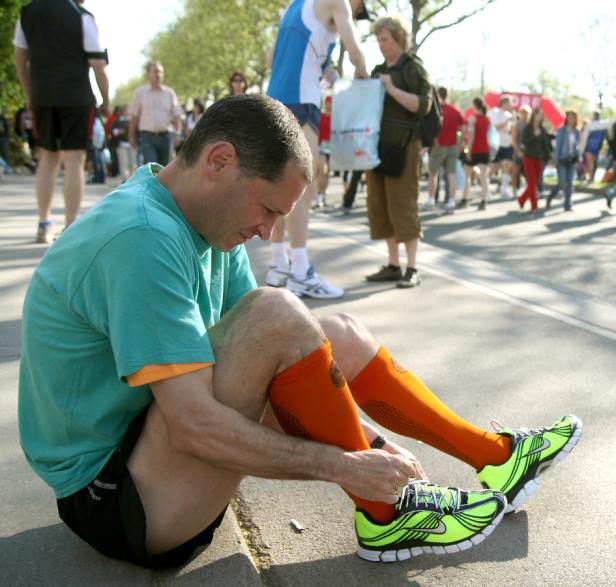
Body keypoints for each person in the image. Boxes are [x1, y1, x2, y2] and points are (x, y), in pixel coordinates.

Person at [19, 94, 582, 568]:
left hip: (149, 441)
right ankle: (386, 513)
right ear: (219, 160)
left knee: (336, 331)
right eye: (267, 208)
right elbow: (194, 426)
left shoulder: (202, 224)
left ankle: (495, 456)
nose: (268, 233)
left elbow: (277, 371)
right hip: (117, 504)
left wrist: (376, 449)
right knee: (279, 313)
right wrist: (348, 464)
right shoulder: (141, 238)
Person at [265, 0, 370, 299]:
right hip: (301, 102)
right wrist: (362, 72)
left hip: (276, 98)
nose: (358, 14)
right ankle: (300, 272)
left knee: (279, 186)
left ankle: (278, 265)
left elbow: (271, 59)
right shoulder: (338, 3)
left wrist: (326, 73)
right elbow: (355, 52)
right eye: (360, 10)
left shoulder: (293, 6)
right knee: (302, 190)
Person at [13, 0, 110, 244]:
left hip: (42, 96)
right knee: (74, 160)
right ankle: (70, 226)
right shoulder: (81, 16)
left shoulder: (27, 12)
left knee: (47, 158)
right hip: (76, 97)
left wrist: (30, 95)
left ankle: (44, 223)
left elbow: (19, 58)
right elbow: (98, 64)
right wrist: (106, 100)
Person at [364, 16, 432, 289]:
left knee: (403, 205)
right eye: (378, 40)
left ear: (398, 38)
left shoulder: (413, 68)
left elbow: (423, 105)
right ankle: (393, 264)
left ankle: (412, 267)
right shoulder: (378, 69)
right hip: (376, 146)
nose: (381, 45)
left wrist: (391, 88)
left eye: (385, 39)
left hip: (404, 146)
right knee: (380, 206)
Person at [128, 61, 182, 167]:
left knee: (164, 169)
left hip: (165, 137)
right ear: (148, 73)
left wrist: (177, 134)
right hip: (147, 137)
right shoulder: (140, 93)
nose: (158, 75)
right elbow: (134, 116)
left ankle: (160, 184)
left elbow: (176, 115)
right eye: (155, 71)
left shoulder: (169, 93)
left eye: (161, 72)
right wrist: (131, 136)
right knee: (152, 168)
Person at [423, 87, 463, 214]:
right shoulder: (455, 110)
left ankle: (431, 200)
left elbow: (430, 127)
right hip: (453, 145)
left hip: (439, 145)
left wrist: (433, 140)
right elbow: (461, 128)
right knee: (451, 174)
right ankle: (451, 201)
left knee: (433, 173)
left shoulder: (436, 110)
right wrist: (459, 142)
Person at [518, 108, 550, 213]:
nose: (539, 117)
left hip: (539, 158)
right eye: (538, 114)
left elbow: (546, 146)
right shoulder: (528, 128)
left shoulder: (543, 130)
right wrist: (533, 136)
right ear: (534, 115)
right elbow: (523, 142)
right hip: (528, 157)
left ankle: (522, 199)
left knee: (535, 183)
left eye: (541, 115)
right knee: (532, 182)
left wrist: (549, 158)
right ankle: (534, 206)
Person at [547, 110, 580, 212]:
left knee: (570, 182)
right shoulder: (562, 130)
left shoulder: (577, 131)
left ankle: (567, 204)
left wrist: (578, 157)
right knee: (561, 183)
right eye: (569, 117)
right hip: (562, 160)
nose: (571, 119)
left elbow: (578, 146)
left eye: (573, 117)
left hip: (572, 160)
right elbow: (558, 147)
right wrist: (556, 160)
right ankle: (550, 197)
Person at [463, 98, 490, 210]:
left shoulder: (472, 119)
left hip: (474, 150)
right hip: (485, 150)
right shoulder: (487, 119)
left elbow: (471, 135)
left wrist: (468, 150)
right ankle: (484, 200)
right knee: (484, 177)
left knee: (468, 176)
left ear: (475, 105)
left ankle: (464, 199)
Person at [488, 95, 514, 199]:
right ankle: (486, 187)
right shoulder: (494, 112)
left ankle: (504, 189)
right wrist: (507, 121)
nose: (511, 105)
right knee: (492, 168)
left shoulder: (509, 115)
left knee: (507, 165)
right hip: (495, 144)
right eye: (510, 103)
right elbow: (495, 127)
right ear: (505, 103)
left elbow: (510, 130)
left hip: (506, 144)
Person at [315, 95, 332, 209]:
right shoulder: (320, 116)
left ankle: (323, 194)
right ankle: (318, 195)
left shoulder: (336, 117)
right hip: (321, 146)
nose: (330, 105)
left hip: (332, 148)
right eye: (328, 102)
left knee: (327, 173)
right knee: (321, 171)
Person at [110, 106, 135, 181]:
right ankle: (125, 179)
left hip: (132, 144)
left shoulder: (132, 121)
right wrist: (118, 131)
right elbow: (112, 131)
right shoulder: (117, 121)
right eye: (125, 110)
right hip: (121, 144)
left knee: (132, 162)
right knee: (123, 162)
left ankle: (132, 179)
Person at [511, 105, 531, 197]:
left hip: (528, 152)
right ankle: (514, 189)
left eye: (526, 113)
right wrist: (518, 151)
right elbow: (514, 140)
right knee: (516, 171)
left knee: (528, 173)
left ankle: (528, 191)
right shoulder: (517, 124)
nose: (524, 115)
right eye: (523, 112)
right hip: (518, 151)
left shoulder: (531, 124)